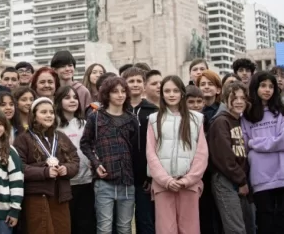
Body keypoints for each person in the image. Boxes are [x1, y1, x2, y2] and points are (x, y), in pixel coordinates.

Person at [146, 75, 208, 234]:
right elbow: (151, 154)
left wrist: (188, 179)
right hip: (162, 186)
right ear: (162, 94)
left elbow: (201, 154)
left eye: (175, 90)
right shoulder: (154, 119)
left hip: (189, 185)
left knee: (190, 229)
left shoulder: (197, 119)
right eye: (167, 91)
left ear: (182, 93)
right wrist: (165, 180)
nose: (171, 94)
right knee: (165, 229)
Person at [241, 72, 284, 234]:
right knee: (266, 224)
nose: (267, 90)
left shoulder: (282, 111)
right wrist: (264, 143)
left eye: (271, 86)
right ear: (255, 88)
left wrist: (255, 143)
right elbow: (245, 146)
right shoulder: (246, 115)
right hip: (261, 177)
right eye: (263, 85)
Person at [80, 76, 138, 234]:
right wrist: (96, 163)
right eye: (115, 92)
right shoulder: (96, 116)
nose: (120, 95)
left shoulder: (131, 119)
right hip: (104, 182)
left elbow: (135, 150)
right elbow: (85, 143)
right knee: (104, 229)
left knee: (124, 228)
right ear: (106, 94)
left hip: (127, 182)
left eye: (123, 91)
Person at [13, 97, 79, 234]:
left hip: (61, 195)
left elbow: (75, 160)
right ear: (34, 116)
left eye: (51, 112)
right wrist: (44, 171)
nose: (49, 115)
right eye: (43, 112)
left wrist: (66, 169)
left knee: (62, 230)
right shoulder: (23, 139)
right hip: (37, 196)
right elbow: (19, 168)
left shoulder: (61, 137)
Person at [208, 81, 254, 234]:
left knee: (248, 226)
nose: (239, 102)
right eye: (234, 98)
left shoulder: (239, 121)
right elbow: (224, 157)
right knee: (236, 229)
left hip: (239, 179)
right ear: (225, 99)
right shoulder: (221, 121)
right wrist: (241, 180)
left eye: (243, 98)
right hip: (225, 180)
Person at [55, 86, 95, 233]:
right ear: (59, 101)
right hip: (65, 183)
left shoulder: (85, 124)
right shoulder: (55, 126)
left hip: (86, 181)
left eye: (74, 97)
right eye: (67, 97)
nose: (72, 100)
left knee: (85, 224)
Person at [123, 67, 157, 234]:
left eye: (138, 81)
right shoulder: (118, 109)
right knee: (123, 223)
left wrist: (152, 176)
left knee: (146, 221)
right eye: (131, 81)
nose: (135, 84)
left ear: (144, 85)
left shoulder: (153, 111)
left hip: (145, 177)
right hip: (123, 177)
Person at [195, 69, 223, 234]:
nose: (206, 87)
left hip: (219, 169)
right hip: (201, 171)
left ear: (218, 89)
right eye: (202, 84)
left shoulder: (224, 111)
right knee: (203, 213)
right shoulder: (193, 113)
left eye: (210, 84)